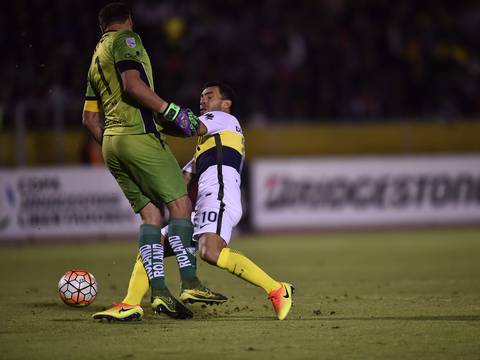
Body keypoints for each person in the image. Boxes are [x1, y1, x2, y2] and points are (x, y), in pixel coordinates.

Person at [82, 2, 225, 321]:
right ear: (128, 21)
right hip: (139, 137)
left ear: (101, 26)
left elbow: (90, 119)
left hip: (111, 144)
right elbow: (133, 86)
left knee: (150, 215)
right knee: (180, 207)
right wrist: (169, 110)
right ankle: (190, 283)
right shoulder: (126, 41)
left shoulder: (94, 60)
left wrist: (113, 145)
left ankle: (159, 292)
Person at [118, 81, 295, 320]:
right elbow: (182, 178)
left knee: (210, 252)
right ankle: (129, 303)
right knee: (154, 244)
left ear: (226, 103)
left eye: (208, 95)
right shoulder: (209, 143)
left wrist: (154, 114)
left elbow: (191, 127)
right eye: (201, 96)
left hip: (220, 198)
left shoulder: (224, 119)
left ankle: (277, 289)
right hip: (206, 203)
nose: (202, 100)